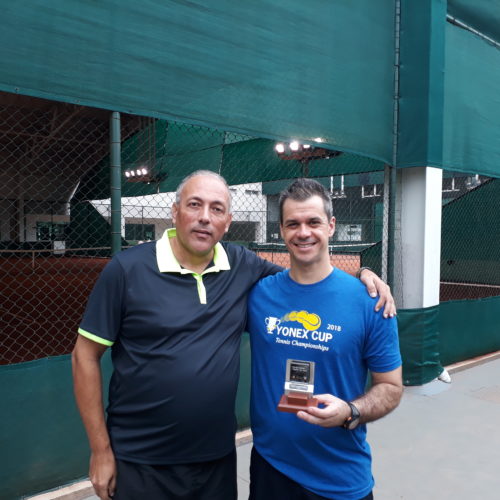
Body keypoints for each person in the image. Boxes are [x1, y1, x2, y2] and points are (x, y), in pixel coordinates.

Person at [72, 170, 396, 500]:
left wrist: (362, 274)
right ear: (175, 211)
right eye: (194, 204)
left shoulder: (241, 265)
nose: (204, 217)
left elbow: (307, 278)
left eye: (216, 209)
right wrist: (100, 450)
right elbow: (84, 356)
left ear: (227, 222)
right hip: (142, 462)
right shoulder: (126, 269)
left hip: (216, 462)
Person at [247, 178, 403, 500]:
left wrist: (350, 411)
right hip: (270, 468)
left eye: (313, 222)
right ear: (281, 230)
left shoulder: (370, 302)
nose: (303, 232)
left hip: (339, 480)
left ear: (331, 226)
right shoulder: (259, 295)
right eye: (293, 224)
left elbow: (390, 387)